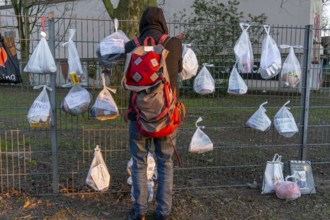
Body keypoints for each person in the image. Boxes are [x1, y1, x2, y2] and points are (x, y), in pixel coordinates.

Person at [124, 6, 183, 220]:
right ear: (162, 22)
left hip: (137, 116)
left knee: (139, 163)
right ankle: (163, 213)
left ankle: (139, 212)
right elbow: (179, 70)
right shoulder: (174, 44)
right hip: (166, 117)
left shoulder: (131, 45)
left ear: (142, 24)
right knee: (165, 163)